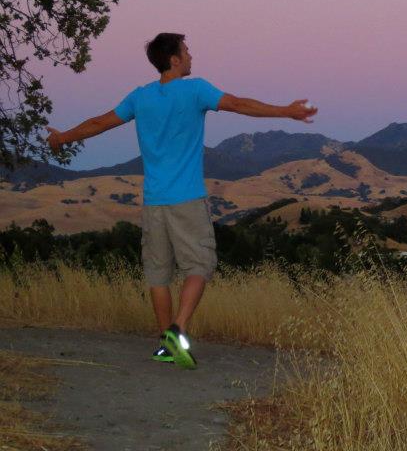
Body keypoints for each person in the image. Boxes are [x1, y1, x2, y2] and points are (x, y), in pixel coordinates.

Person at [45, 32, 317, 369]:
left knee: (158, 275)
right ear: (174, 59)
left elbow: (100, 122)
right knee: (199, 266)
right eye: (187, 51)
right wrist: (285, 111)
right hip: (187, 198)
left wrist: (63, 138)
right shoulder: (195, 89)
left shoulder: (140, 97)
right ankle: (179, 327)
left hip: (154, 202)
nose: (191, 55)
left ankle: (166, 346)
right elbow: (238, 104)